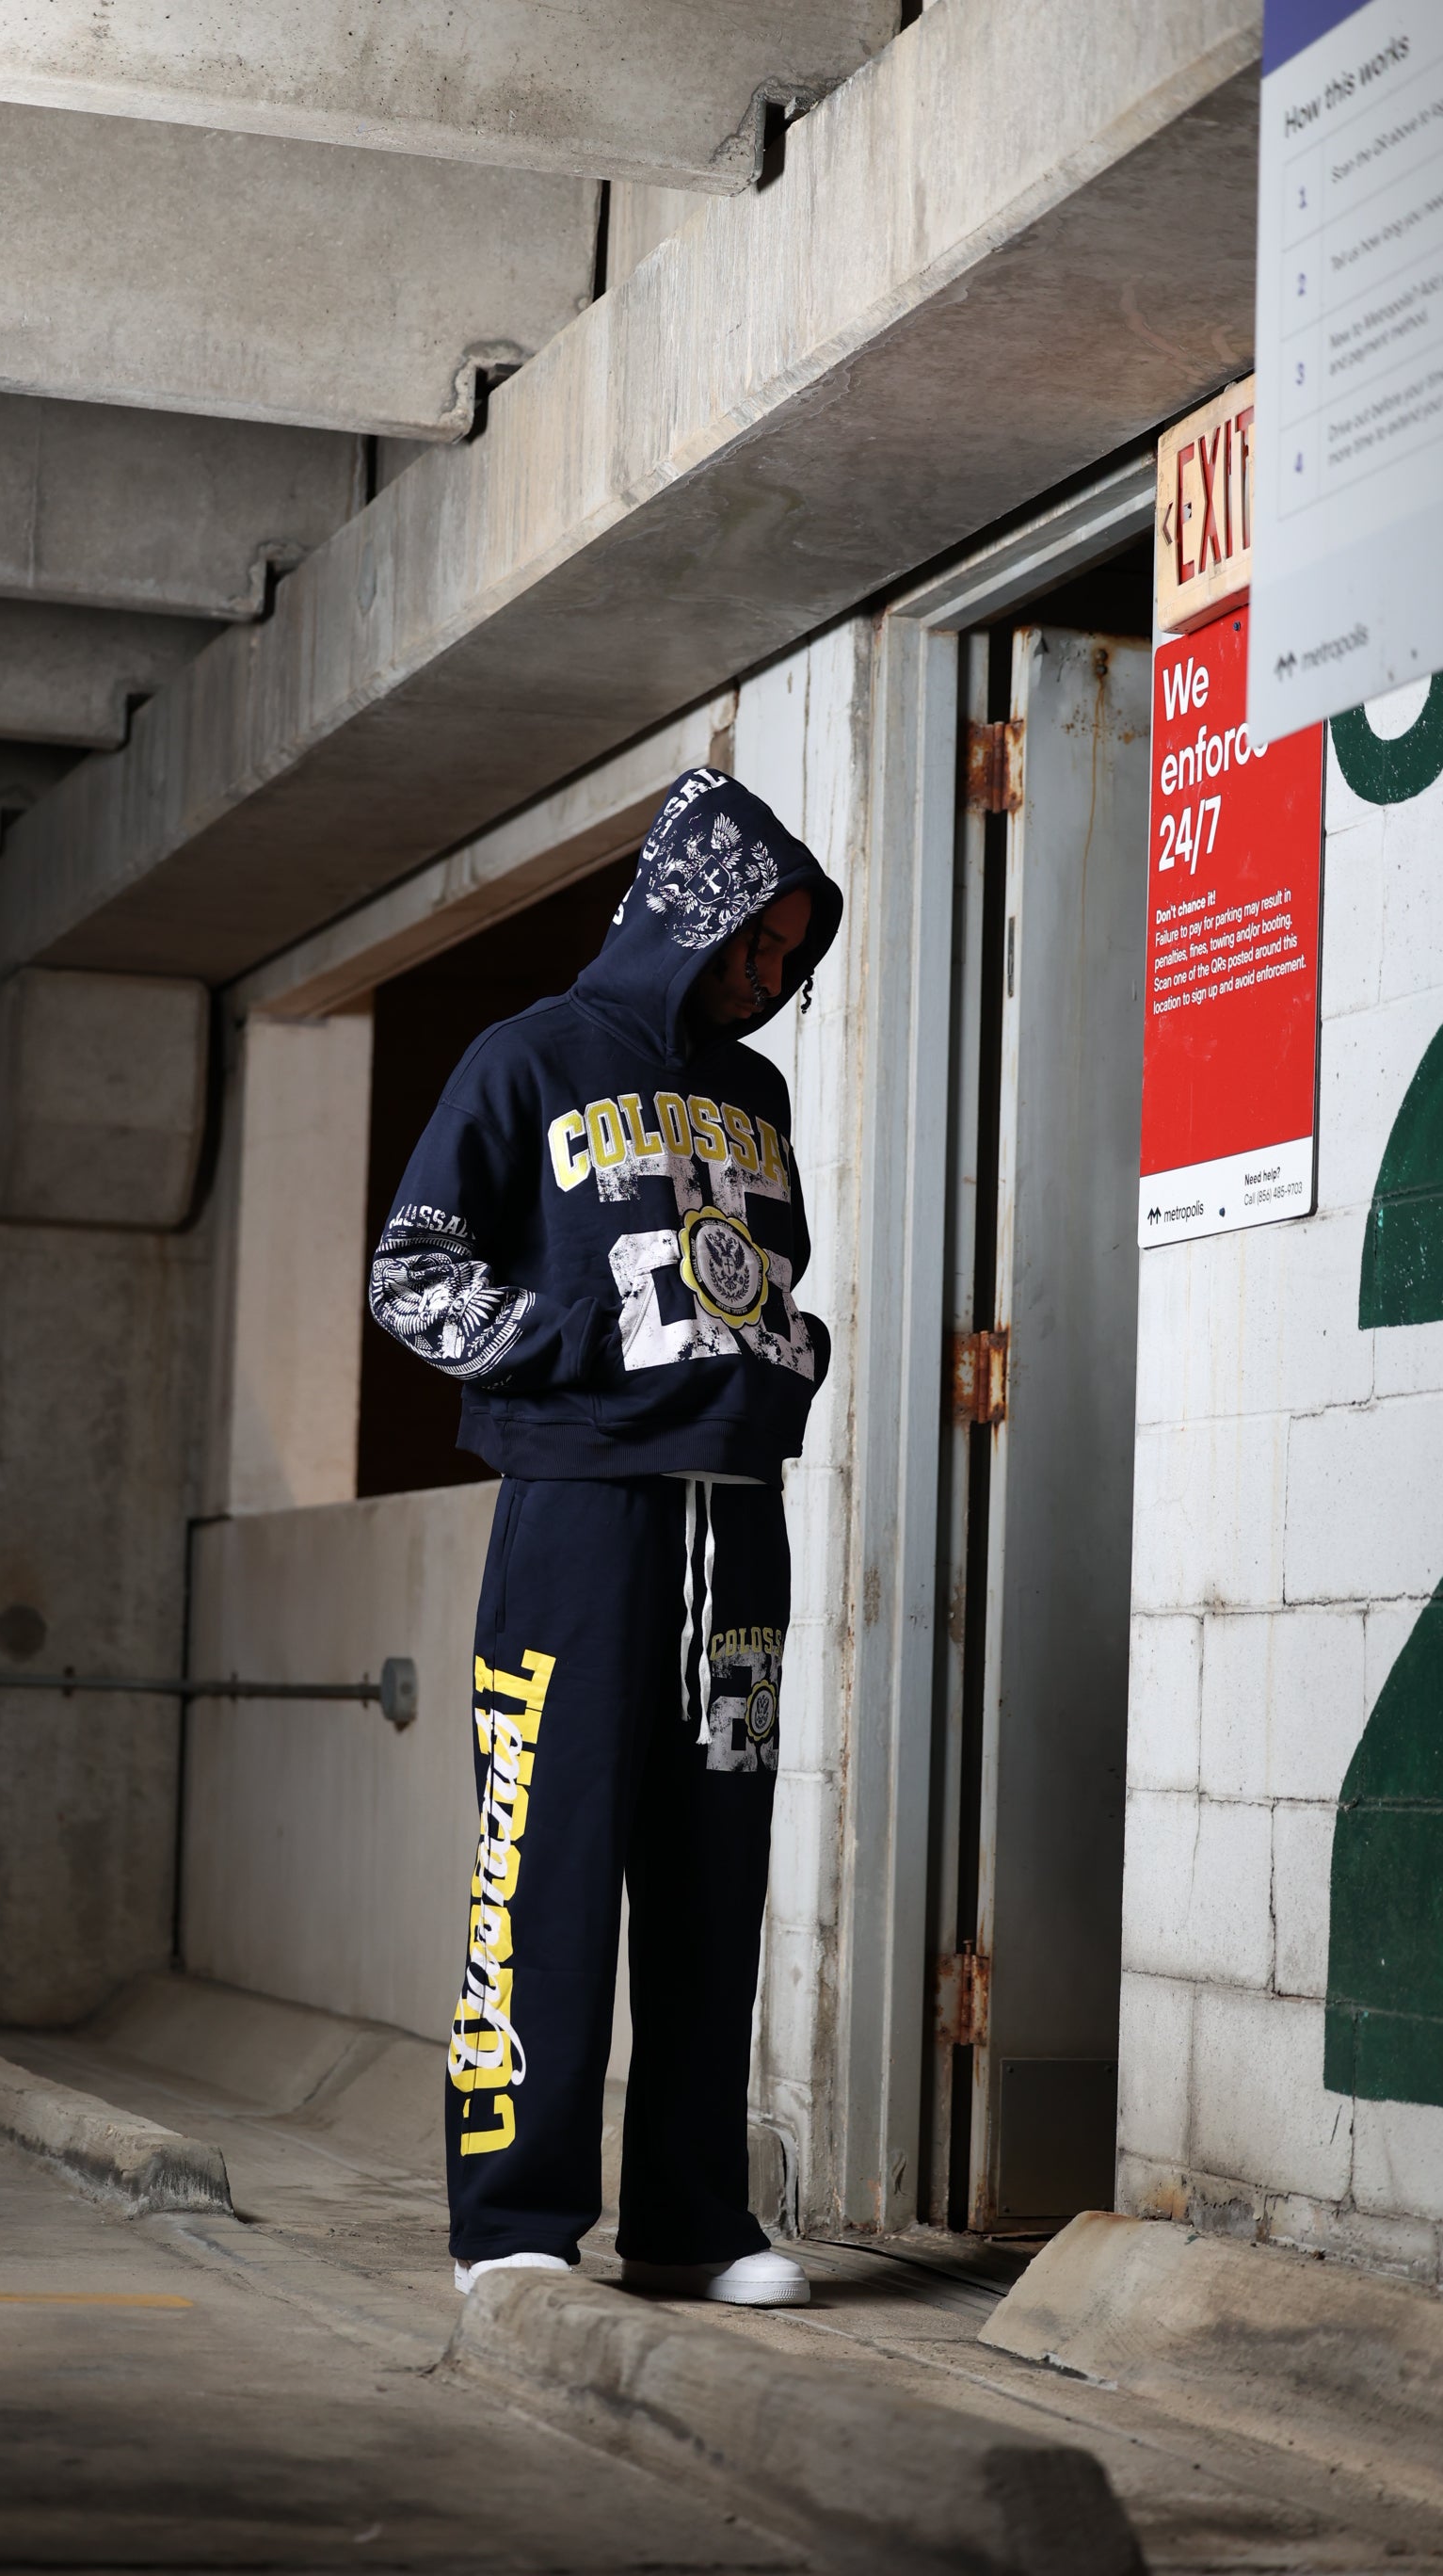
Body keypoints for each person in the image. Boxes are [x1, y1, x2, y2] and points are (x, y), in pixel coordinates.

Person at [367, 767, 841, 2308]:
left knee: (716, 1874)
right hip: (580, 1511)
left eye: (793, 952)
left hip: (737, 1527)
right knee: (543, 1860)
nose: (774, 977)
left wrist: (789, 1353)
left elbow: (767, 1280)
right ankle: (512, 2225)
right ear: (689, 914)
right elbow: (412, 1278)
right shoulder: (528, 1061)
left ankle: (695, 2223)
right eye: (756, 943)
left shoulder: (757, 1101)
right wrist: (574, 1344)